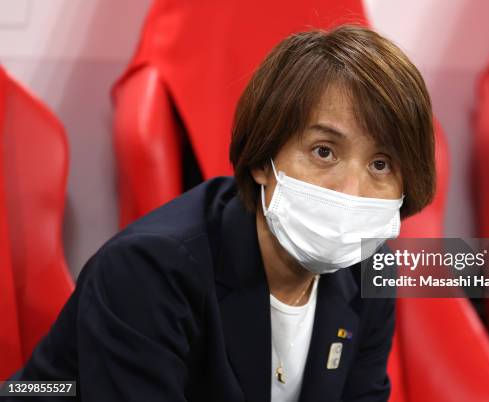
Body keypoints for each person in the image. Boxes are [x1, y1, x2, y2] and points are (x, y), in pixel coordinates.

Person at [6, 25, 435, 401]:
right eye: (323, 152)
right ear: (262, 162)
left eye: (381, 164)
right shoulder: (148, 269)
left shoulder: (370, 269)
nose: (350, 191)